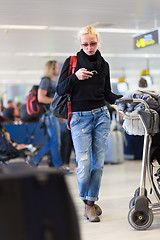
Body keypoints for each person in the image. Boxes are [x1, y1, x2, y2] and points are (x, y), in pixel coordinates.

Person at [56, 26, 122, 222]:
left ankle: (91, 204)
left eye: (93, 43)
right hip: (79, 118)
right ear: (80, 44)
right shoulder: (72, 63)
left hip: (101, 115)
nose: (89, 47)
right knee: (84, 164)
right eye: (85, 44)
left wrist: (124, 100)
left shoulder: (104, 65)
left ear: (98, 42)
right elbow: (60, 90)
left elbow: (107, 93)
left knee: (98, 165)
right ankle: (86, 199)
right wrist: (75, 77)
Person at [28, 60, 70, 174]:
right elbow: (41, 98)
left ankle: (34, 160)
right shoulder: (45, 80)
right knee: (56, 141)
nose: (59, 69)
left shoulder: (53, 81)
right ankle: (58, 167)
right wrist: (57, 101)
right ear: (51, 69)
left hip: (53, 115)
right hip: (49, 115)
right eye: (57, 67)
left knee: (55, 141)